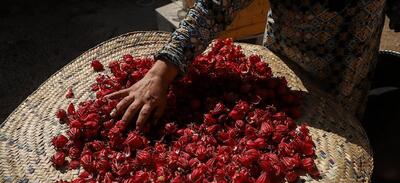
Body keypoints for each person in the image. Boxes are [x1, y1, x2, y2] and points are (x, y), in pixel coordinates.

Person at [108, 0, 400, 128]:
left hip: (353, 70)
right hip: (289, 69)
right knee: (292, 143)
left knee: (344, 138)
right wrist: (161, 72)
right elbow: (213, 8)